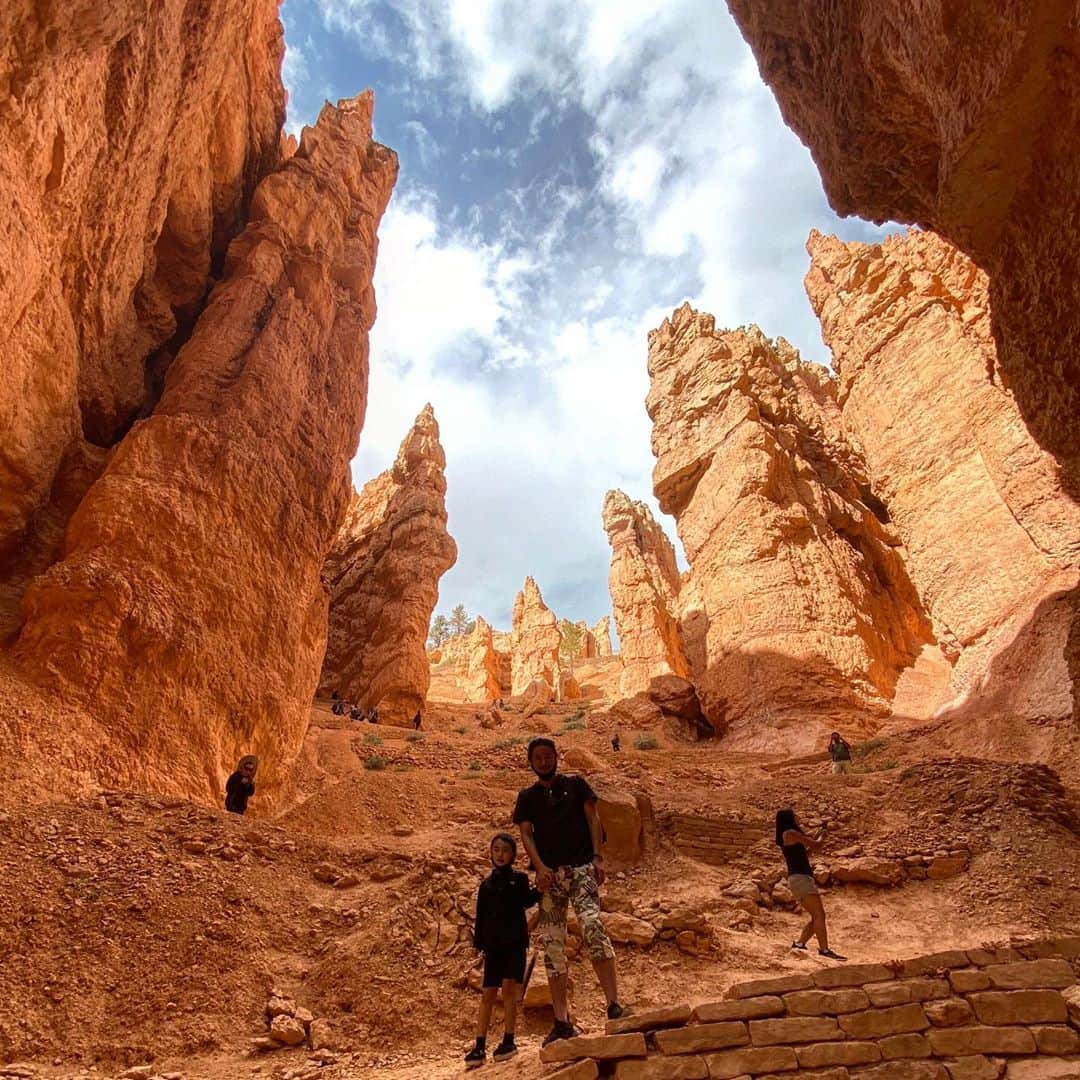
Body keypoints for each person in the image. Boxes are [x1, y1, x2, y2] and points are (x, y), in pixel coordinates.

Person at [513, 737, 627, 1044]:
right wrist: (539, 868)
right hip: (551, 878)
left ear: (555, 758)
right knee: (552, 943)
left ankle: (614, 1005)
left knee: (593, 926)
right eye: (538, 758)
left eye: (548, 756)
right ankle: (561, 1020)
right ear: (531, 762)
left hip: (581, 871)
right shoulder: (527, 797)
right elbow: (526, 834)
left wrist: (598, 857)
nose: (544, 762)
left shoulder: (577, 785)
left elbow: (593, 818)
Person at [464, 833, 539, 1069]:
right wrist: (480, 946)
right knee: (488, 993)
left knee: (508, 990)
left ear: (513, 854)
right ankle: (479, 1044)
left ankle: (508, 1040)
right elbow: (482, 917)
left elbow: (527, 901)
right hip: (494, 946)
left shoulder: (519, 879)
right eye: (496, 849)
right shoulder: (486, 885)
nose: (500, 854)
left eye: (505, 850)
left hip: (515, 943)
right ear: (491, 852)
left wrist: (542, 887)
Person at [775, 808, 844, 959]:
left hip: (798, 879)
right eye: (795, 815)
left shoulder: (787, 836)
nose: (798, 817)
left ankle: (800, 943)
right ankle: (824, 950)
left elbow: (806, 853)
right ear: (789, 818)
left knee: (816, 915)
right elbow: (816, 845)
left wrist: (818, 838)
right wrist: (821, 837)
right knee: (819, 914)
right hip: (801, 878)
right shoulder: (791, 833)